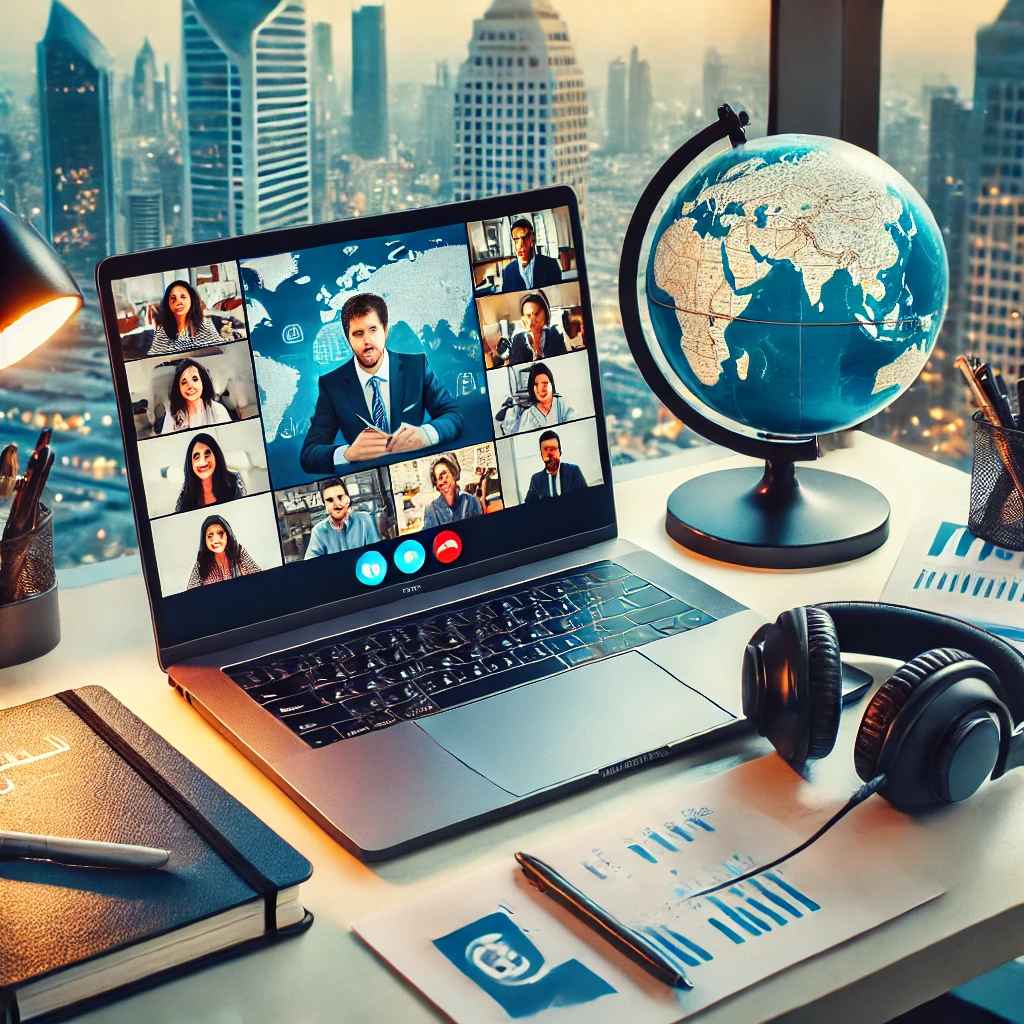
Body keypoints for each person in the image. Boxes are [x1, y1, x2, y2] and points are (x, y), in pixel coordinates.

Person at [300, 293, 464, 475]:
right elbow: (309, 454)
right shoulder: (332, 385)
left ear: (385, 330)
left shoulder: (416, 366)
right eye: (358, 334)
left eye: (373, 330)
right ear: (348, 339)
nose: (367, 341)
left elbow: (454, 416)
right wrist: (348, 453)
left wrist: (427, 434)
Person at [303, 477, 381, 558]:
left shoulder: (365, 520)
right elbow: (310, 563)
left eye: (340, 497)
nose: (337, 504)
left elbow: (377, 554)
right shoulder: (318, 531)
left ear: (348, 499)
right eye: (330, 500)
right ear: (325, 505)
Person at [497, 361, 576, 436]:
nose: (541, 389)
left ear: (551, 384)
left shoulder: (562, 404)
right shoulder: (527, 415)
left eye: (545, 383)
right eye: (536, 385)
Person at [174, 432, 246, 513]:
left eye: (207, 454)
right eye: (197, 457)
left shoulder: (235, 482)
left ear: (216, 456)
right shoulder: (185, 496)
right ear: (190, 464)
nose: (203, 462)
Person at [186, 515, 261, 588]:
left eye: (220, 534)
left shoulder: (238, 552)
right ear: (204, 540)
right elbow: (191, 592)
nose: (215, 540)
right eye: (210, 536)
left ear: (227, 535)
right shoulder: (201, 561)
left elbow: (260, 578)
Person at [149, 280, 221, 356]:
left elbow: (220, 352)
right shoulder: (161, 333)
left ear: (191, 299)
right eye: (173, 298)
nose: (178, 302)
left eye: (183, 297)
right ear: (168, 303)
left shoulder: (206, 326)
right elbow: (154, 359)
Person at [161, 357, 232, 433]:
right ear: (179, 387)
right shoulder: (172, 415)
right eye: (184, 382)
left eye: (195, 379)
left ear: (203, 382)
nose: (190, 386)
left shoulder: (218, 410)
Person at [500, 218, 563, 293]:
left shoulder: (551, 265)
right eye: (516, 239)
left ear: (533, 238)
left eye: (525, 238)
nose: (521, 245)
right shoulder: (507, 272)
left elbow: (557, 295)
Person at [524, 430, 587, 501]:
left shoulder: (574, 471)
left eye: (553, 449)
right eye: (545, 450)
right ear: (541, 454)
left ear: (560, 452)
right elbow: (529, 506)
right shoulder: (536, 480)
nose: (549, 455)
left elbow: (586, 498)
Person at [422, 456, 483, 528]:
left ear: (454, 475)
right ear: (437, 486)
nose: (443, 481)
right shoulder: (431, 510)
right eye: (439, 478)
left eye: (445, 475)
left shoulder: (472, 501)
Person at [508, 292, 567, 365]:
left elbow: (563, 364)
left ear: (545, 314)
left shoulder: (555, 335)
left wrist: (538, 344)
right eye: (528, 315)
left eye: (536, 314)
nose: (532, 320)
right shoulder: (517, 340)